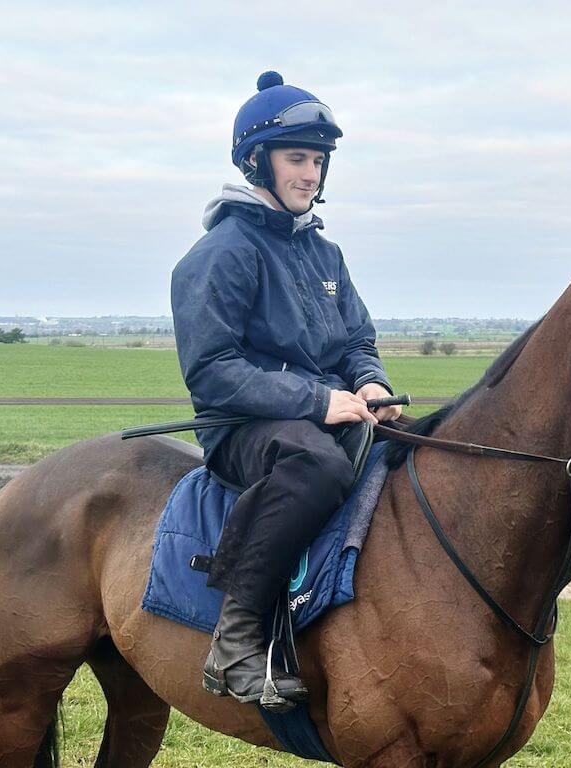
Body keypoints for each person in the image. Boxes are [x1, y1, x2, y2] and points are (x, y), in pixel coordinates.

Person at [171, 71, 401, 709]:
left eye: (318, 161)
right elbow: (213, 368)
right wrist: (317, 401)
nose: (311, 173)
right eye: (297, 158)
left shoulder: (325, 255)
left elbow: (355, 339)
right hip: (243, 428)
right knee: (316, 463)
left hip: (326, 410)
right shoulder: (221, 253)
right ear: (256, 161)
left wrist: (369, 383)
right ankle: (236, 635)